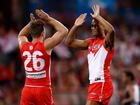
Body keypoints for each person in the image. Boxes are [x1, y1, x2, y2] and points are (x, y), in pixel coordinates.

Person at [65, 5, 115, 105]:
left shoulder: (107, 42)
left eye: (96, 25)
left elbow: (111, 31)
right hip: (94, 83)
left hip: (102, 82)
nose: (93, 27)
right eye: (92, 25)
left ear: (102, 26)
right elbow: (69, 42)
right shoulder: (90, 42)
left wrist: (97, 17)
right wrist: (76, 26)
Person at [18, 9, 68, 105]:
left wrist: (30, 24)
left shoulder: (23, 45)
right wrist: (48, 19)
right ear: (43, 33)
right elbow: (64, 31)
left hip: (27, 89)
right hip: (43, 89)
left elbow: (21, 34)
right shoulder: (46, 45)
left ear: (31, 33)